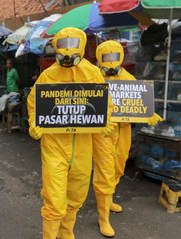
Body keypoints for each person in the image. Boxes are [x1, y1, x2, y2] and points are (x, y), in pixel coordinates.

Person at [27, 27, 115, 239]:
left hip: (83, 144)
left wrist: (105, 120)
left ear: (82, 45)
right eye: (63, 45)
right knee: (55, 198)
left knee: (77, 193)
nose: (67, 51)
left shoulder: (92, 72)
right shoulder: (48, 75)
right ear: (56, 46)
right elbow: (33, 102)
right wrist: (33, 123)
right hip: (54, 144)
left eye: (72, 45)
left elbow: (105, 102)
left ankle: (66, 233)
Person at [92, 40, 163, 237]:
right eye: (106, 57)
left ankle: (109, 199)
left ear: (121, 57)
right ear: (99, 58)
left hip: (123, 130)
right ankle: (103, 217)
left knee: (118, 165)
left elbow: (138, 100)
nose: (111, 61)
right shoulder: (93, 77)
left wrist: (148, 113)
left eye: (115, 57)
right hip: (103, 132)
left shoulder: (128, 77)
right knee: (105, 171)